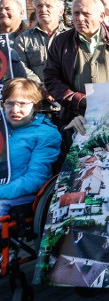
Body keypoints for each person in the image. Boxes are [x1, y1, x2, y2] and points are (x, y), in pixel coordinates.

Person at [43, 0, 109, 130]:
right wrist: (78, 99)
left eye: (86, 14)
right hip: (77, 117)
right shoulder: (61, 42)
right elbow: (51, 79)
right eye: (76, 13)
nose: (79, 18)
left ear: (101, 16)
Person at [0, 78, 61, 217]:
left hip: (18, 195)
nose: (15, 110)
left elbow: (35, 179)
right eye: (9, 104)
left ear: (35, 106)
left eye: (22, 104)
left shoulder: (46, 134)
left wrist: (2, 191)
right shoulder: (1, 122)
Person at [14, 0, 68, 81]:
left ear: (60, 11)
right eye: (39, 6)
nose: (43, 9)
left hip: (67, 91)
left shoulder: (72, 36)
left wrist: (60, 88)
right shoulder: (23, 39)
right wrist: (41, 87)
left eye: (48, 6)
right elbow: (21, 67)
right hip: (36, 91)